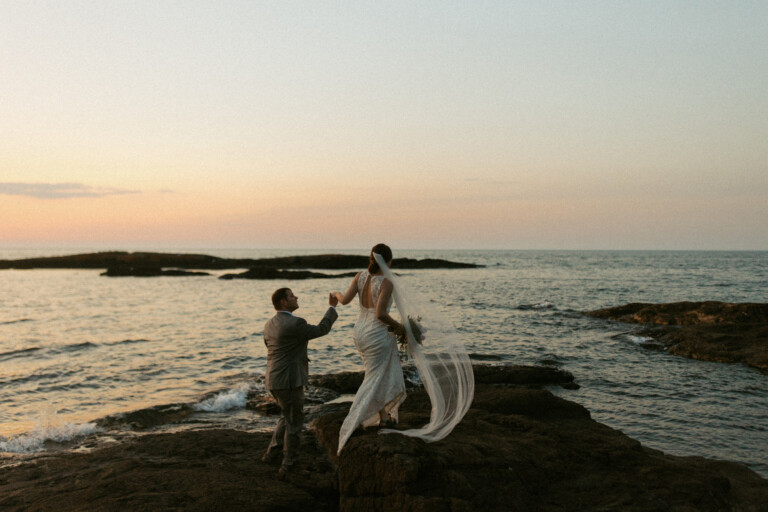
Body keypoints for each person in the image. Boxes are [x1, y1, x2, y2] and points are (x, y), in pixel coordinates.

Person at [333, 243, 407, 454]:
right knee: (373, 377)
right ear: (388, 261)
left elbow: (345, 301)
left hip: (359, 333)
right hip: (376, 334)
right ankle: (352, 421)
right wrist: (401, 327)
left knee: (375, 375)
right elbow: (380, 314)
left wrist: (335, 294)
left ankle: (384, 418)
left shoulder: (359, 276)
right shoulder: (387, 282)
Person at [261, 287, 338, 477]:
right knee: (294, 423)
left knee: (285, 417)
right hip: (289, 381)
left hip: (273, 379)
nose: (296, 297)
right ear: (283, 302)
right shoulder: (295, 324)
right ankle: (289, 464)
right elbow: (322, 329)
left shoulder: (269, 324)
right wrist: (332, 308)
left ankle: (272, 454)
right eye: (292, 296)